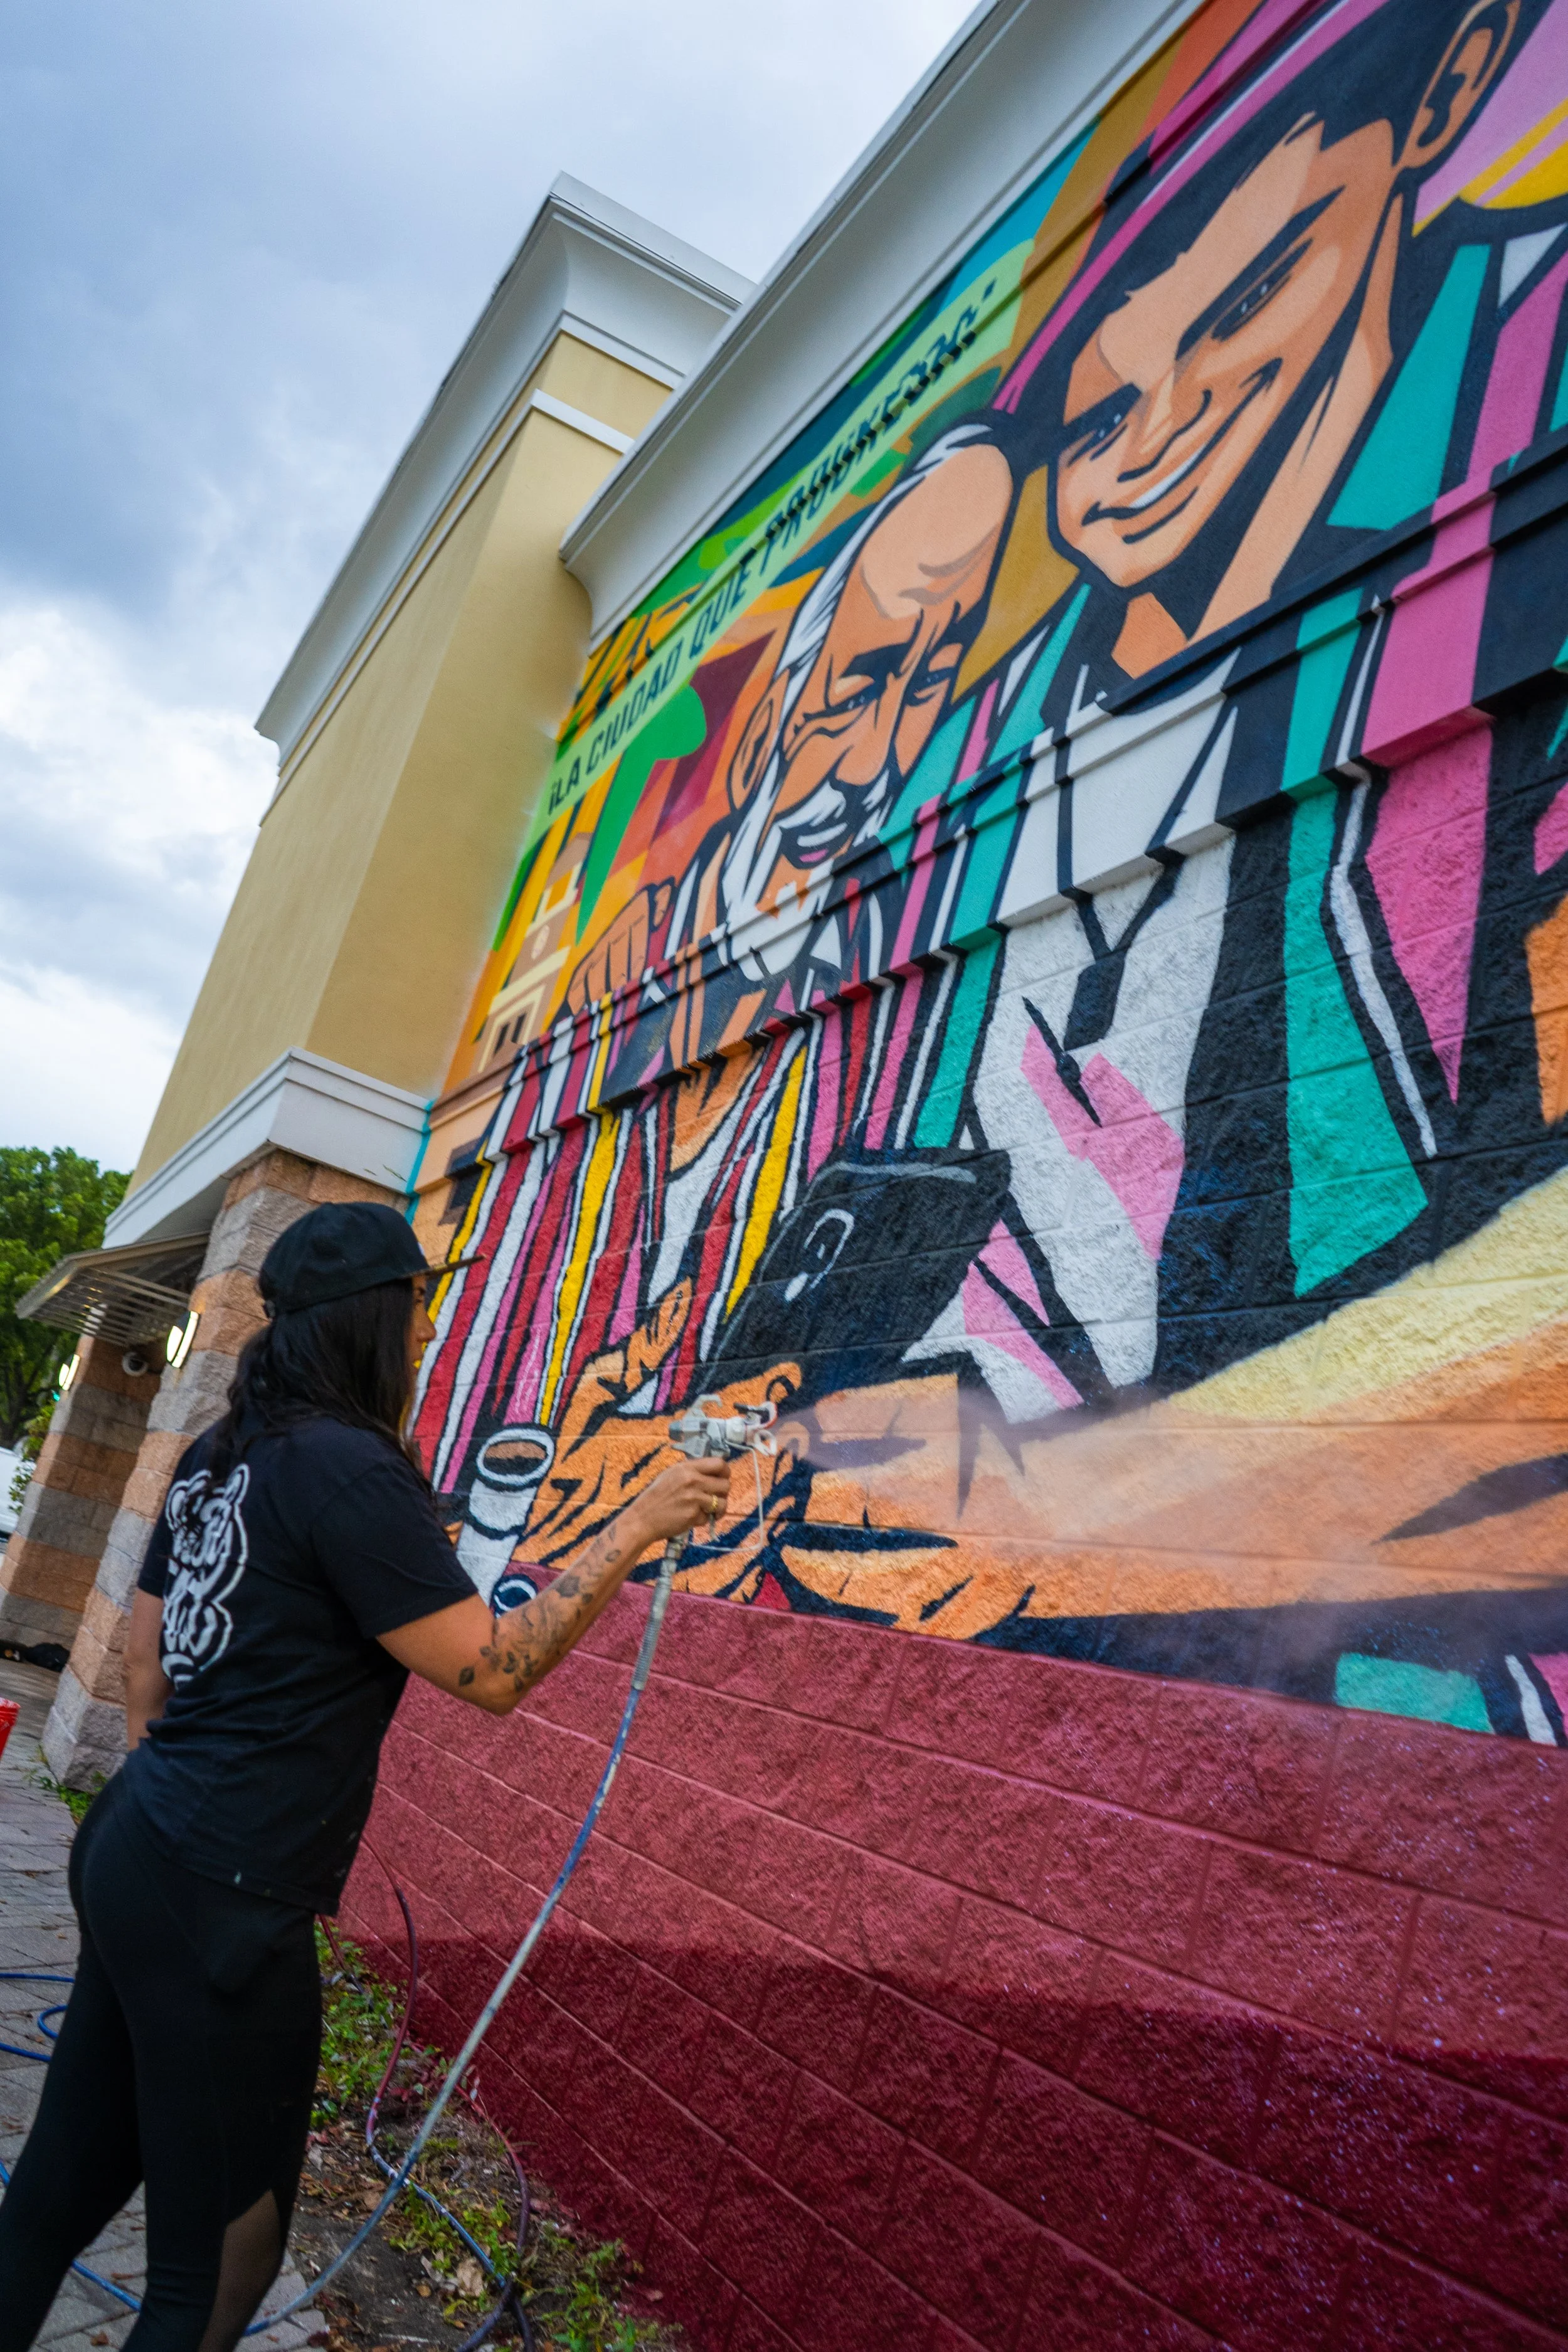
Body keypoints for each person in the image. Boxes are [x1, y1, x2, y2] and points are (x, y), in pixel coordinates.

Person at [0, 1200, 728, 2352]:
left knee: (50, 2197)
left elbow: (145, 1665)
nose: (432, 1339)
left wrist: (175, 1807)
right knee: (215, 2278)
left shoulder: (217, 1454)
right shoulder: (352, 1470)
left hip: (139, 1844)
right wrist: (637, 1521)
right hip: (223, 1897)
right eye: (422, 1315)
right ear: (372, 1324)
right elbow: (489, 1670)